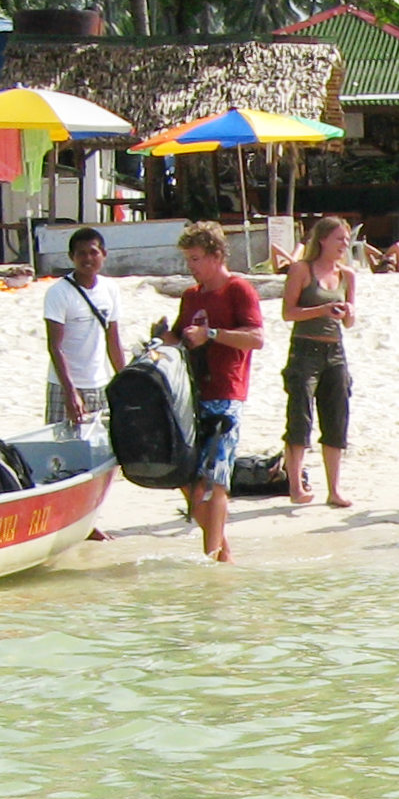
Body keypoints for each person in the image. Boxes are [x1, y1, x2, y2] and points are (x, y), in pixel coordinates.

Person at [159, 221, 266, 563]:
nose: (191, 267)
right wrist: (164, 339)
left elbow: (256, 338)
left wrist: (214, 334)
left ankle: (211, 556)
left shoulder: (238, 289)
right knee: (186, 476)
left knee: (215, 478)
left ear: (216, 255)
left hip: (227, 391)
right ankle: (223, 554)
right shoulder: (191, 295)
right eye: (188, 260)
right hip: (192, 393)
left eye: (196, 259)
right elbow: (178, 337)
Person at [280, 214, 359, 507]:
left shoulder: (347, 275)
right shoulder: (302, 269)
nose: (344, 244)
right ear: (323, 239)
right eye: (339, 238)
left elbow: (350, 322)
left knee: (336, 418)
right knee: (300, 417)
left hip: (335, 352)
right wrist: (322, 309)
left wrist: (346, 312)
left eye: (347, 239)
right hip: (304, 350)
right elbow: (288, 313)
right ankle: (295, 485)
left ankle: (334, 489)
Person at [43, 226, 126, 429]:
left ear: (103, 255)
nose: (88, 258)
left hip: (99, 383)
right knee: (62, 450)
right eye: (81, 253)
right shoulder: (58, 293)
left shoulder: (110, 289)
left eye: (93, 252)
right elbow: (55, 346)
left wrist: (125, 381)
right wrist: (70, 392)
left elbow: (113, 340)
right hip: (65, 385)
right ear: (72, 257)